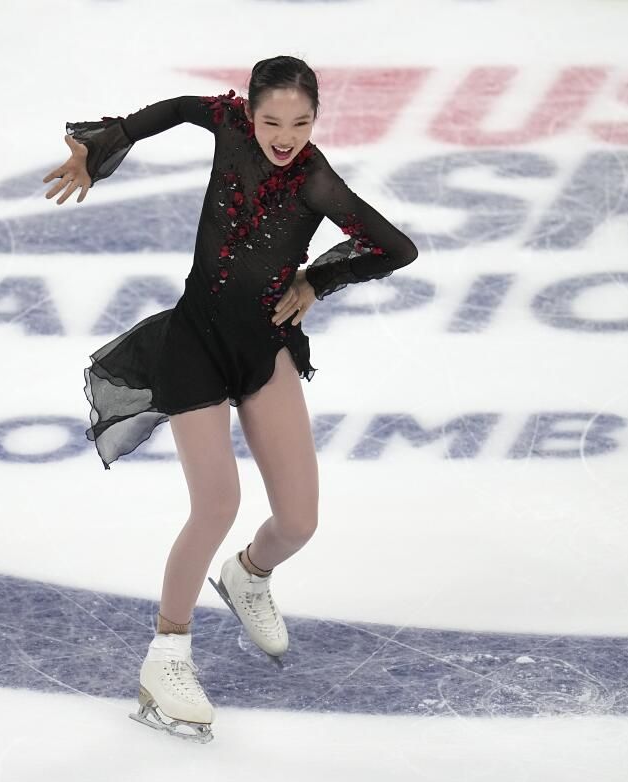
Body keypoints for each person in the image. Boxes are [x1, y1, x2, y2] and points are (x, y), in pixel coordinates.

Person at [42, 56, 418, 743]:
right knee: (217, 502)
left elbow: (395, 248)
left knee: (299, 522)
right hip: (194, 342)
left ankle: (248, 576)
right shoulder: (227, 128)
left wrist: (316, 281)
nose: (285, 135)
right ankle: (167, 656)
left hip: (261, 347)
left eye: (301, 122)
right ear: (249, 114)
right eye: (272, 120)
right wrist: (105, 145)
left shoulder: (316, 182)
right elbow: (180, 107)